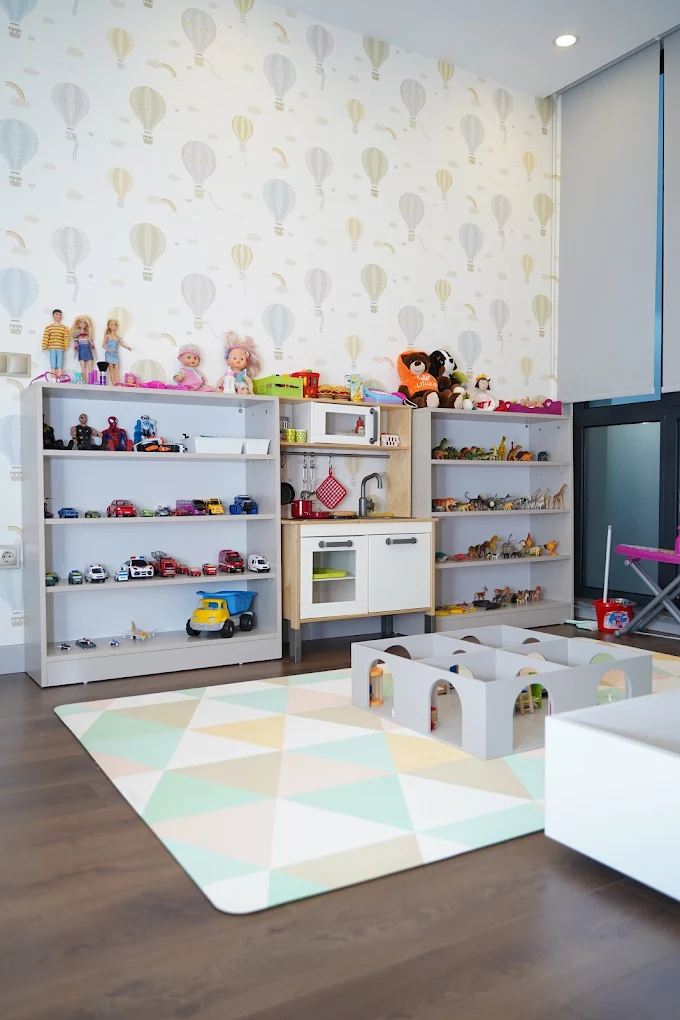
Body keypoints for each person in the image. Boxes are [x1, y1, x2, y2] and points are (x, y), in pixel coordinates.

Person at [102, 318, 132, 386]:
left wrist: (127, 347)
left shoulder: (118, 337)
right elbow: (103, 345)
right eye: (112, 325)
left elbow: (122, 343)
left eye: (115, 325)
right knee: (111, 371)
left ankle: (117, 384)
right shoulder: (107, 336)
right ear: (108, 326)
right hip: (109, 354)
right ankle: (114, 384)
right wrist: (108, 350)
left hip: (115, 355)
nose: (114, 326)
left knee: (117, 370)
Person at [41, 309, 70, 377]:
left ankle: (59, 379)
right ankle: (53, 379)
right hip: (52, 348)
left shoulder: (64, 328)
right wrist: (44, 346)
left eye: (60, 315)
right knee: (53, 365)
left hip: (60, 348)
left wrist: (66, 344)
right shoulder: (49, 328)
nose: (58, 316)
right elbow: (46, 337)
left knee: (60, 365)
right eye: (56, 314)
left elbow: (66, 337)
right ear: (53, 316)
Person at [70, 315, 96, 382]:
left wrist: (94, 352)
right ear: (78, 324)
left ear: (87, 324)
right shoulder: (77, 334)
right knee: (83, 369)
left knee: (90, 369)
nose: (83, 324)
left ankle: (91, 382)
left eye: (85, 323)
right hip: (81, 352)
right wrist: (75, 352)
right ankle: (84, 382)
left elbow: (91, 344)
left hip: (88, 351)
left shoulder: (88, 334)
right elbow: (76, 344)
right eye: (81, 322)